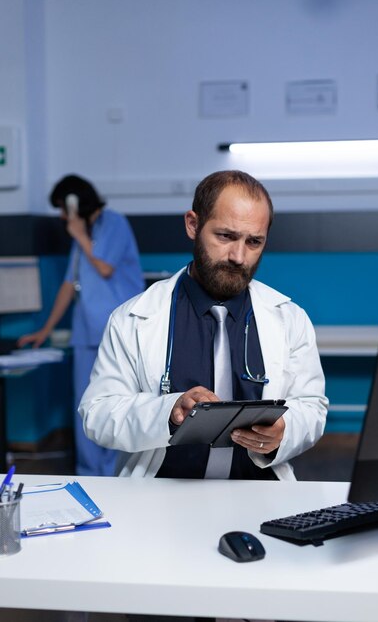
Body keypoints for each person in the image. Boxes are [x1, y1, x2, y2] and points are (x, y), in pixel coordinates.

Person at [79, 170, 328, 480]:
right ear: (193, 225)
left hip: (259, 491)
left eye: (254, 242)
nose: (238, 256)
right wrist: (168, 412)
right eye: (225, 236)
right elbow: (98, 414)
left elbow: (311, 407)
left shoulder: (289, 319)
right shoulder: (133, 318)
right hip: (161, 496)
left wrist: (283, 432)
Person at [18, 175, 145, 476]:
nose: (63, 217)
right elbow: (67, 284)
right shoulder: (83, 236)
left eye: (64, 208)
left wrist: (79, 235)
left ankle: (116, 474)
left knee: (117, 404)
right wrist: (45, 330)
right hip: (86, 333)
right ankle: (89, 475)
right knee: (85, 408)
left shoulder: (113, 224)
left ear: (76, 203)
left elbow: (104, 267)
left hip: (118, 333)